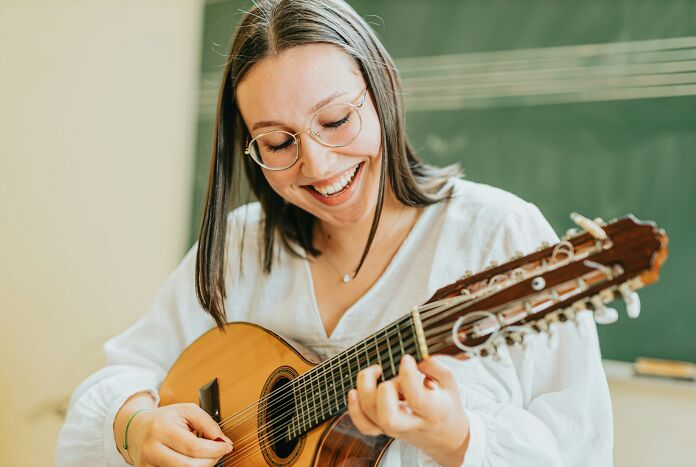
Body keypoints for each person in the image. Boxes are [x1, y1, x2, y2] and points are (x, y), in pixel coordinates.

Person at [55, 0, 613, 466]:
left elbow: (582, 448)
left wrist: (459, 440)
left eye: (336, 121)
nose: (318, 166)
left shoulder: (500, 235)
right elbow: (121, 374)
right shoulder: (241, 244)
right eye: (277, 143)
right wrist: (135, 427)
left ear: (383, 91)